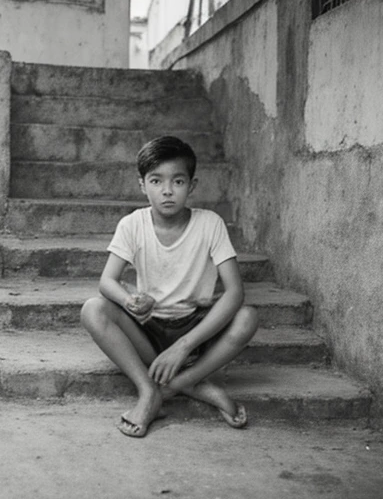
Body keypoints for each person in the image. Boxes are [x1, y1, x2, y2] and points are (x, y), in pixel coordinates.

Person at [80, 136, 258, 438]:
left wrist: (184, 345)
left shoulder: (210, 224)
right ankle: (150, 389)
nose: (167, 191)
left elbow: (235, 293)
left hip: (195, 333)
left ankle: (173, 386)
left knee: (247, 317)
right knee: (93, 309)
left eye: (177, 181)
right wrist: (129, 300)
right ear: (142, 185)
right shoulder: (132, 225)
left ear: (192, 185)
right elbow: (106, 282)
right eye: (156, 181)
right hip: (148, 328)